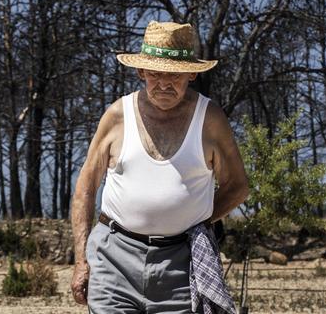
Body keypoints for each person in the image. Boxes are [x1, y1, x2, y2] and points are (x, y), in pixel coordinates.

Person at [70, 21, 249, 314]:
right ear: (141, 71)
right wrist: (80, 261)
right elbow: (85, 189)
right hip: (113, 256)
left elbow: (238, 186)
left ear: (191, 73)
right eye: (155, 73)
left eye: (174, 75)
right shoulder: (117, 115)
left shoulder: (210, 118)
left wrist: (198, 219)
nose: (164, 83)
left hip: (180, 261)